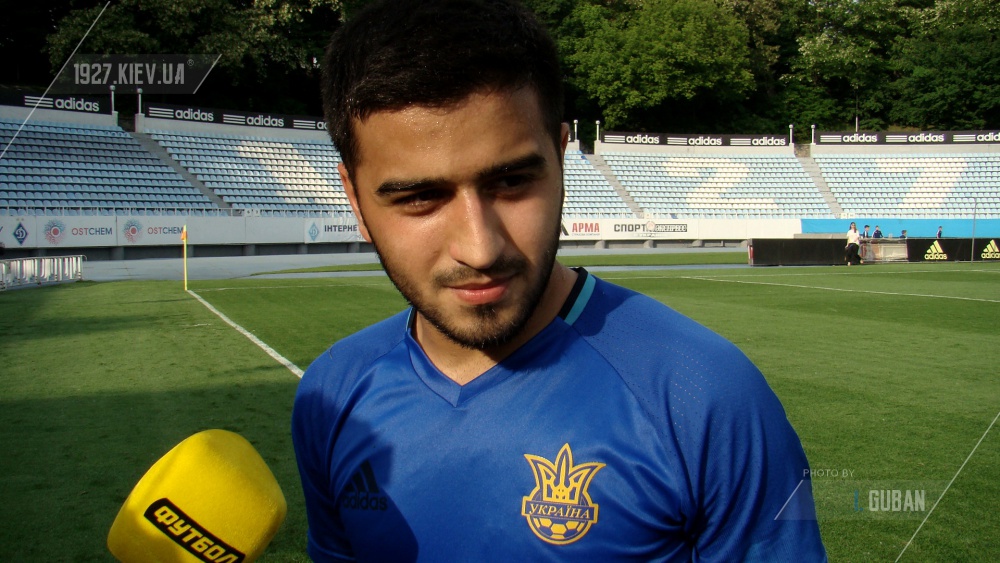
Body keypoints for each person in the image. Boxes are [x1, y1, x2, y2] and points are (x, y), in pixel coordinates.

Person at [292, 1, 826, 560]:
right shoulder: (332, 395)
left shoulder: (706, 398)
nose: (480, 248)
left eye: (512, 182)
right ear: (354, 197)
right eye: (421, 197)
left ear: (562, 156)